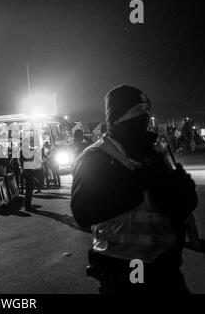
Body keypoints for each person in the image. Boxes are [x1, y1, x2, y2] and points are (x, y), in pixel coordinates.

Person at [71, 85, 198, 294]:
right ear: (117, 118)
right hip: (126, 266)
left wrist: (180, 192)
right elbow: (83, 212)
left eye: (146, 109)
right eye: (137, 110)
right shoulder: (95, 158)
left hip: (166, 262)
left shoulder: (155, 151)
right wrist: (136, 184)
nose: (144, 116)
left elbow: (184, 199)